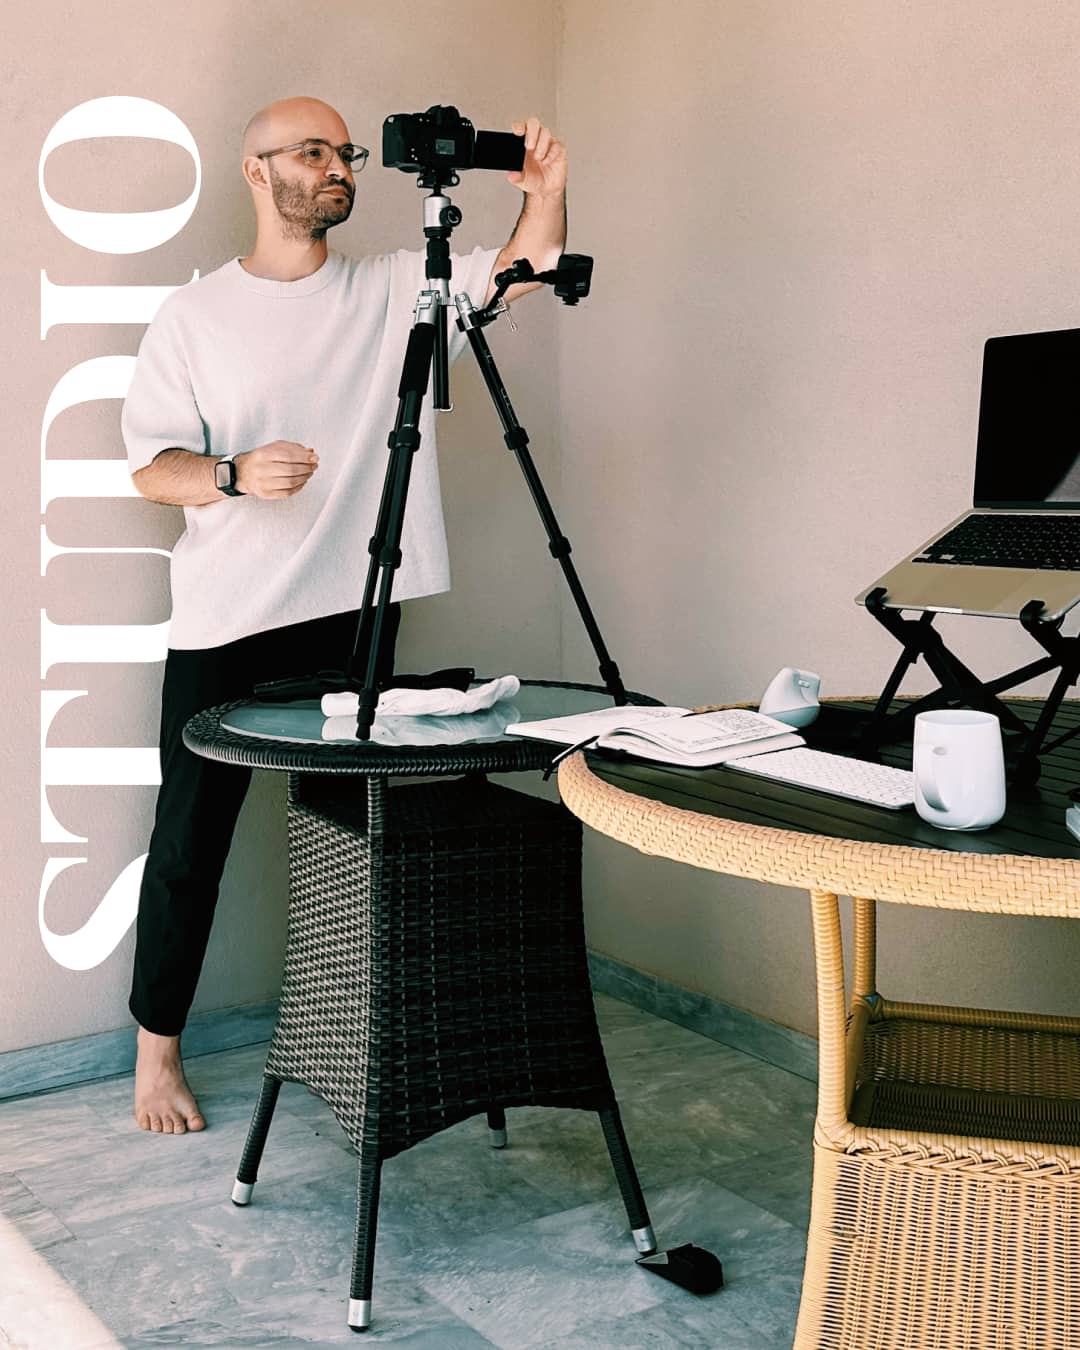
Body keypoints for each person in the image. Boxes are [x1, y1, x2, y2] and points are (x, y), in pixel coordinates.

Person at [122, 96, 568, 1135]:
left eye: (347, 154)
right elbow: (153, 468)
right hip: (228, 615)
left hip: (357, 609)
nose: (338, 169)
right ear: (257, 171)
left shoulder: (393, 291)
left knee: (354, 836)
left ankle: (355, 1038)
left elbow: (524, 270)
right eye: (313, 152)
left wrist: (547, 193)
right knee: (191, 839)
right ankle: (156, 1057)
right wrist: (232, 474)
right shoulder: (194, 316)